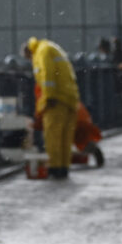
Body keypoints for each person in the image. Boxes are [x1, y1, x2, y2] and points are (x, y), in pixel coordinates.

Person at [24, 36, 80, 180]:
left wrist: (49, 98)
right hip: (70, 97)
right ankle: (64, 168)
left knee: (53, 136)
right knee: (65, 137)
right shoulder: (51, 47)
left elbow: (48, 75)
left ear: (29, 53)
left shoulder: (41, 52)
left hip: (56, 99)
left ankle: (55, 168)